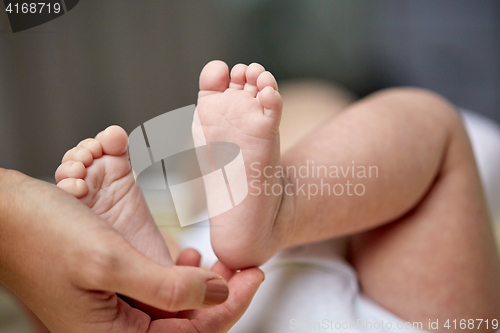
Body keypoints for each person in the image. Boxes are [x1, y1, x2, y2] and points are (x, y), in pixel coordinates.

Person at [56, 60, 500, 331]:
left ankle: (149, 278)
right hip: (346, 316)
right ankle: (266, 213)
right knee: (431, 132)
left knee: (428, 135)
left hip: (214, 302)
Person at [0, 167, 264, 332]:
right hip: (211, 247)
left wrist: (15, 222)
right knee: (300, 108)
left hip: (205, 237)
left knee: (200, 180)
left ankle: (145, 264)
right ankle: (274, 210)